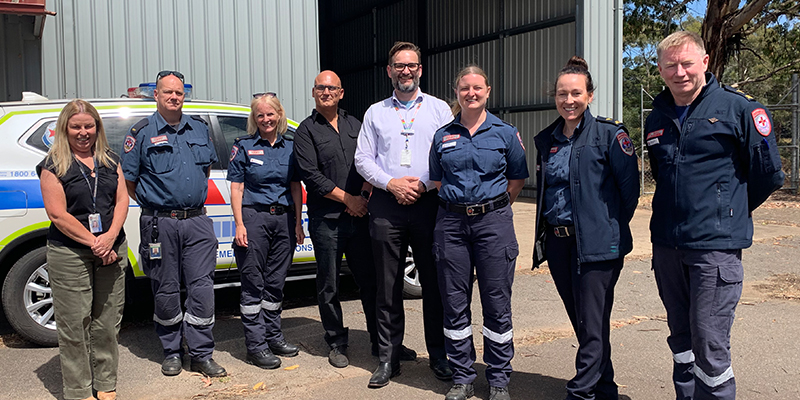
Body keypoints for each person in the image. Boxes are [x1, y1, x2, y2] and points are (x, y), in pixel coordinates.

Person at [645, 31, 784, 400]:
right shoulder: (656, 115)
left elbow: (767, 174)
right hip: (668, 246)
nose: (680, 72)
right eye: (671, 65)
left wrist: (726, 210)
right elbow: (664, 177)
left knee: (709, 342)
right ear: (660, 69)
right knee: (681, 338)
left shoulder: (739, 109)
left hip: (715, 250)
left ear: (705, 63)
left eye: (687, 63)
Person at [532, 57, 640, 400]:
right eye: (562, 94)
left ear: (589, 95)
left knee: (591, 324)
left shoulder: (609, 134)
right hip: (559, 244)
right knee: (584, 323)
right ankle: (604, 388)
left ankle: (580, 393)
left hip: (597, 245)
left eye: (576, 93)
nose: (569, 100)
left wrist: (604, 226)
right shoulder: (547, 138)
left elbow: (629, 192)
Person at [355, 41, 454, 388]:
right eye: (399, 65)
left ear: (420, 70)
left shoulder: (440, 111)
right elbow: (363, 159)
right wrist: (392, 183)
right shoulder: (375, 112)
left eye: (411, 65)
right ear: (389, 71)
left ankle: (439, 354)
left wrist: (423, 186)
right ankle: (388, 357)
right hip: (386, 204)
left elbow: (450, 154)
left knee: (435, 284)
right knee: (387, 286)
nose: (406, 71)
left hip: (429, 204)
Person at [429, 65, 529, 400]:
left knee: (497, 302)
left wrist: (493, 208)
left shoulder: (504, 133)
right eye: (464, 88)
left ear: (488, 91)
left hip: (493, 224)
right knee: (454, 303)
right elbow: (438, 179)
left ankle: (499, 378)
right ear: (456, 92)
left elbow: (517, 179)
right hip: (452, 225)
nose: (471, 93)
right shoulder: (443, 135)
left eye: (477, 88)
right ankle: (462, 376)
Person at [121, 71, 226, 378]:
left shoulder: (199, 128)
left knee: (202, 288)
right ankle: (171, 351)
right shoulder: (140, 132)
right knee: (165, 289)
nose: (174, 97)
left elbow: (205, 171)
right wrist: (157, 203)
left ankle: (202, 354)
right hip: (160, 224)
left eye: (178, 93)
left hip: (196, 221)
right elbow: (129, 180)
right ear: (156, 95)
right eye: (167, 92)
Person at [38, 99, 129, 400]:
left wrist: (111, 235)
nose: (83, 132)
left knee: (107, 321)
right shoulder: (53, 165)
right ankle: (78, 391)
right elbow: (58, 215)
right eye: (76, 126)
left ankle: (106, 383)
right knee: (75, 323)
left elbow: (122, 200)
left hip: (112, 248)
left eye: (89, 125)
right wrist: (96, 242)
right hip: (70, 252)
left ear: (97, 127)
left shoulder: (110, 159)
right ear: (65, 128)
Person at [294, 70, 379, 368]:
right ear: (314, 92)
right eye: (320, 88)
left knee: (371, 282)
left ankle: (380, 342)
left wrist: (364, 199)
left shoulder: (355, 124)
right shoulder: (305, 131)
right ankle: (336, 342)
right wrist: (349, 200)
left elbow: (371, 160)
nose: (326, 92)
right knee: (329, 284)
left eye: (331, 88)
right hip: (327, 220)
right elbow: (311, 176)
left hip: (360, 217)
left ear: (341, 92)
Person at [228, 94, 304, 369]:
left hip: (283, 221)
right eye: (260, 115)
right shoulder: (244, 146)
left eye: (270, 114)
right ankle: (256, 346)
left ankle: (273, 337)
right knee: (253, 284)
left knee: (275, 282)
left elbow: (295, 187)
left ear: (279, 115)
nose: (266, 119)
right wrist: (239, 224)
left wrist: (298, 223)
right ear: (254, 119)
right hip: (254, 219)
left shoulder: (291, 148)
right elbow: (236, 188)